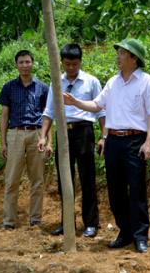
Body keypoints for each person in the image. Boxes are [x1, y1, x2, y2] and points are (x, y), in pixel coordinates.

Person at [63, 39, 150, 253]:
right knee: (115, 190)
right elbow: (97, 105)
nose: (117, 57)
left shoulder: (147, 82)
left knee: (136, 190)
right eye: (118, 53)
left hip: (135, 141)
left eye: (121, 54)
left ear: (133, 58)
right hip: (113, 141)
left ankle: (140, 236)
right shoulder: (112, 83)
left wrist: (149, 142)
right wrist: (76, 102)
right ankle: (125, 232)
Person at [38, 44, 106, 238]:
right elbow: (49, 111)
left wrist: (104, 135)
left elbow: (101, 110)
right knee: (64, 179)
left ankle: (91, 223)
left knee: (87, 178)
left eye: (74, 64)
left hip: (84, 131)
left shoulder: (91, 82)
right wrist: (43, 135)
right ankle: (67, 223)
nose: (70, 68)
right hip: (63, 133)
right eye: (67, 64)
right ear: (62, 62)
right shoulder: (56, 82)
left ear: (80, 62)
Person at [0, 50, 50, 229]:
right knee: (12, 180)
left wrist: (48, 140)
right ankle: (9, 221)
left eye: (27, 62)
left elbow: (47, 116)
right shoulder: (9, 87)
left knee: (37, 180)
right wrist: (3, 142)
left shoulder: (42, 88)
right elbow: (4, 116)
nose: (25, 65)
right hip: (16, 135)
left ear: (33, 63)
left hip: (37, 135)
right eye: (21, 62)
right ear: (16, 65)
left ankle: (35, 219)